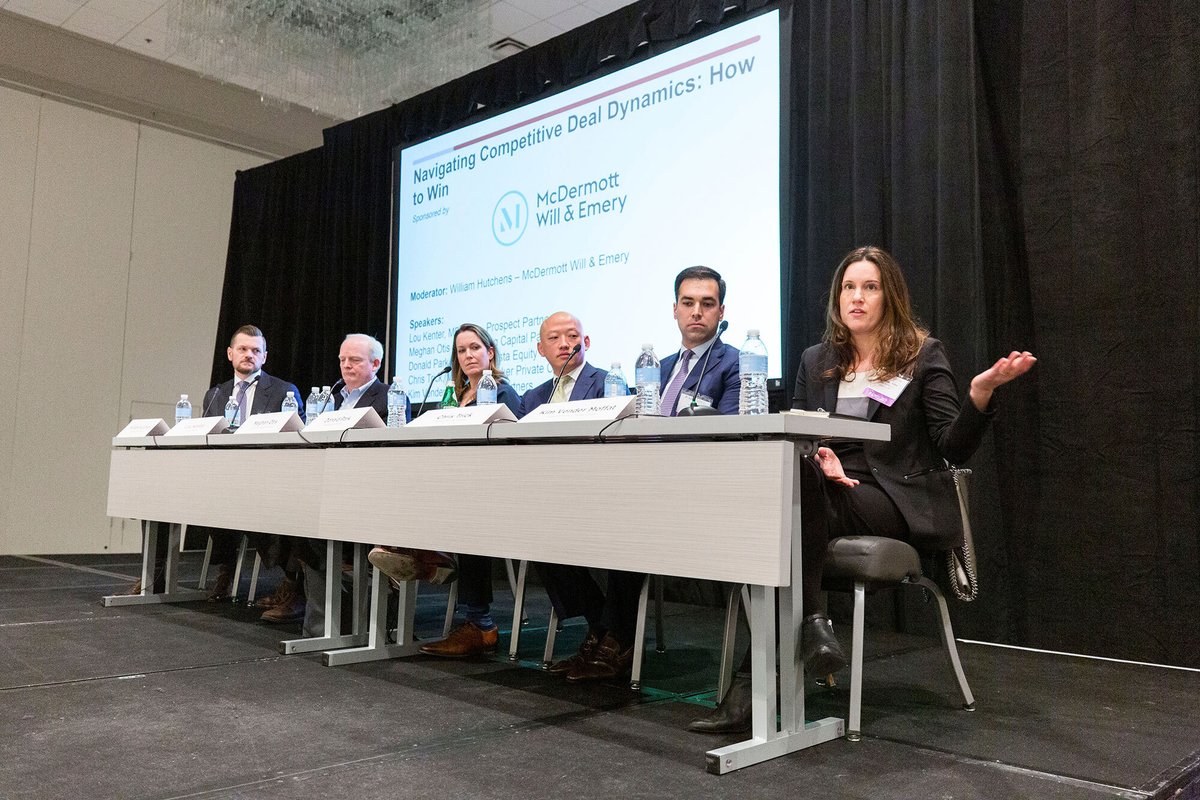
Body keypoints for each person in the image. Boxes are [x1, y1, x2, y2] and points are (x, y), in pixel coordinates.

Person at [688, 245, 1036, 734]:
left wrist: (980, 395)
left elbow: (951, 447)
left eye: (869, 287)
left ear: (888, 296)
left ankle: (753, 682)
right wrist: (818, 456)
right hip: (823, 486)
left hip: (890, 495)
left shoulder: (921, 354)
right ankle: (808, 631)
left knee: (778, 516)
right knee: (782, 493)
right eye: (849, 287)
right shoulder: (817, 359)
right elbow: (802, 431)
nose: (857, 297)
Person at [539, 268, 742, 682]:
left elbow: (731, 433)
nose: (697, 312)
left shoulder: (734, 362)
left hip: (693, 489)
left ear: (722, 311)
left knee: (626, 521)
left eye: (707, 304)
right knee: (545, 522)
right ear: (674, 310)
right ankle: (604, 629)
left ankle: (615, 638)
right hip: (640, 482)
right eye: (688, 303)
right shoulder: (657, 367)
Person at [367, 323, 522, 657]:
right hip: (454, 486)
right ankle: (428, 555)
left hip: (490, 492)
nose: (468, 355)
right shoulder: (455, 395)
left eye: (474, 348)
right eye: (461, 350)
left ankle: (470, 610)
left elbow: (510, 449)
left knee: (467, 515)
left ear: (490, 352)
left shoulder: (504, 392)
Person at [128, 325, 305, 603]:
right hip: (222, 476)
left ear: (265, 357)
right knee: (160, 493)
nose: (249, 355)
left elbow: (295, 441)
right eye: (243, 349)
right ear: (230, 353)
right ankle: (155, 575)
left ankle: (290, 579)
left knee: (246, 503)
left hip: (265, 478)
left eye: (256, 350)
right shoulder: (216, 394)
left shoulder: (285, 392)